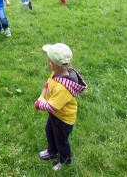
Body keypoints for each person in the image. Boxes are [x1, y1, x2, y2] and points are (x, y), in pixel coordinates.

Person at [35, 43, 87, 171]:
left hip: (63, 120)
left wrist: (39, 103)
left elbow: (52, 106)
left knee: (61, 142)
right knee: (49, 132)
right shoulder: (56, 73)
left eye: (48, 60)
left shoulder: (62, 88)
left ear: (52, 64)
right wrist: (44, 92)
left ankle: (66, 161)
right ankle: (52, 151)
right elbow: (48, 84)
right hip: (55, 117)